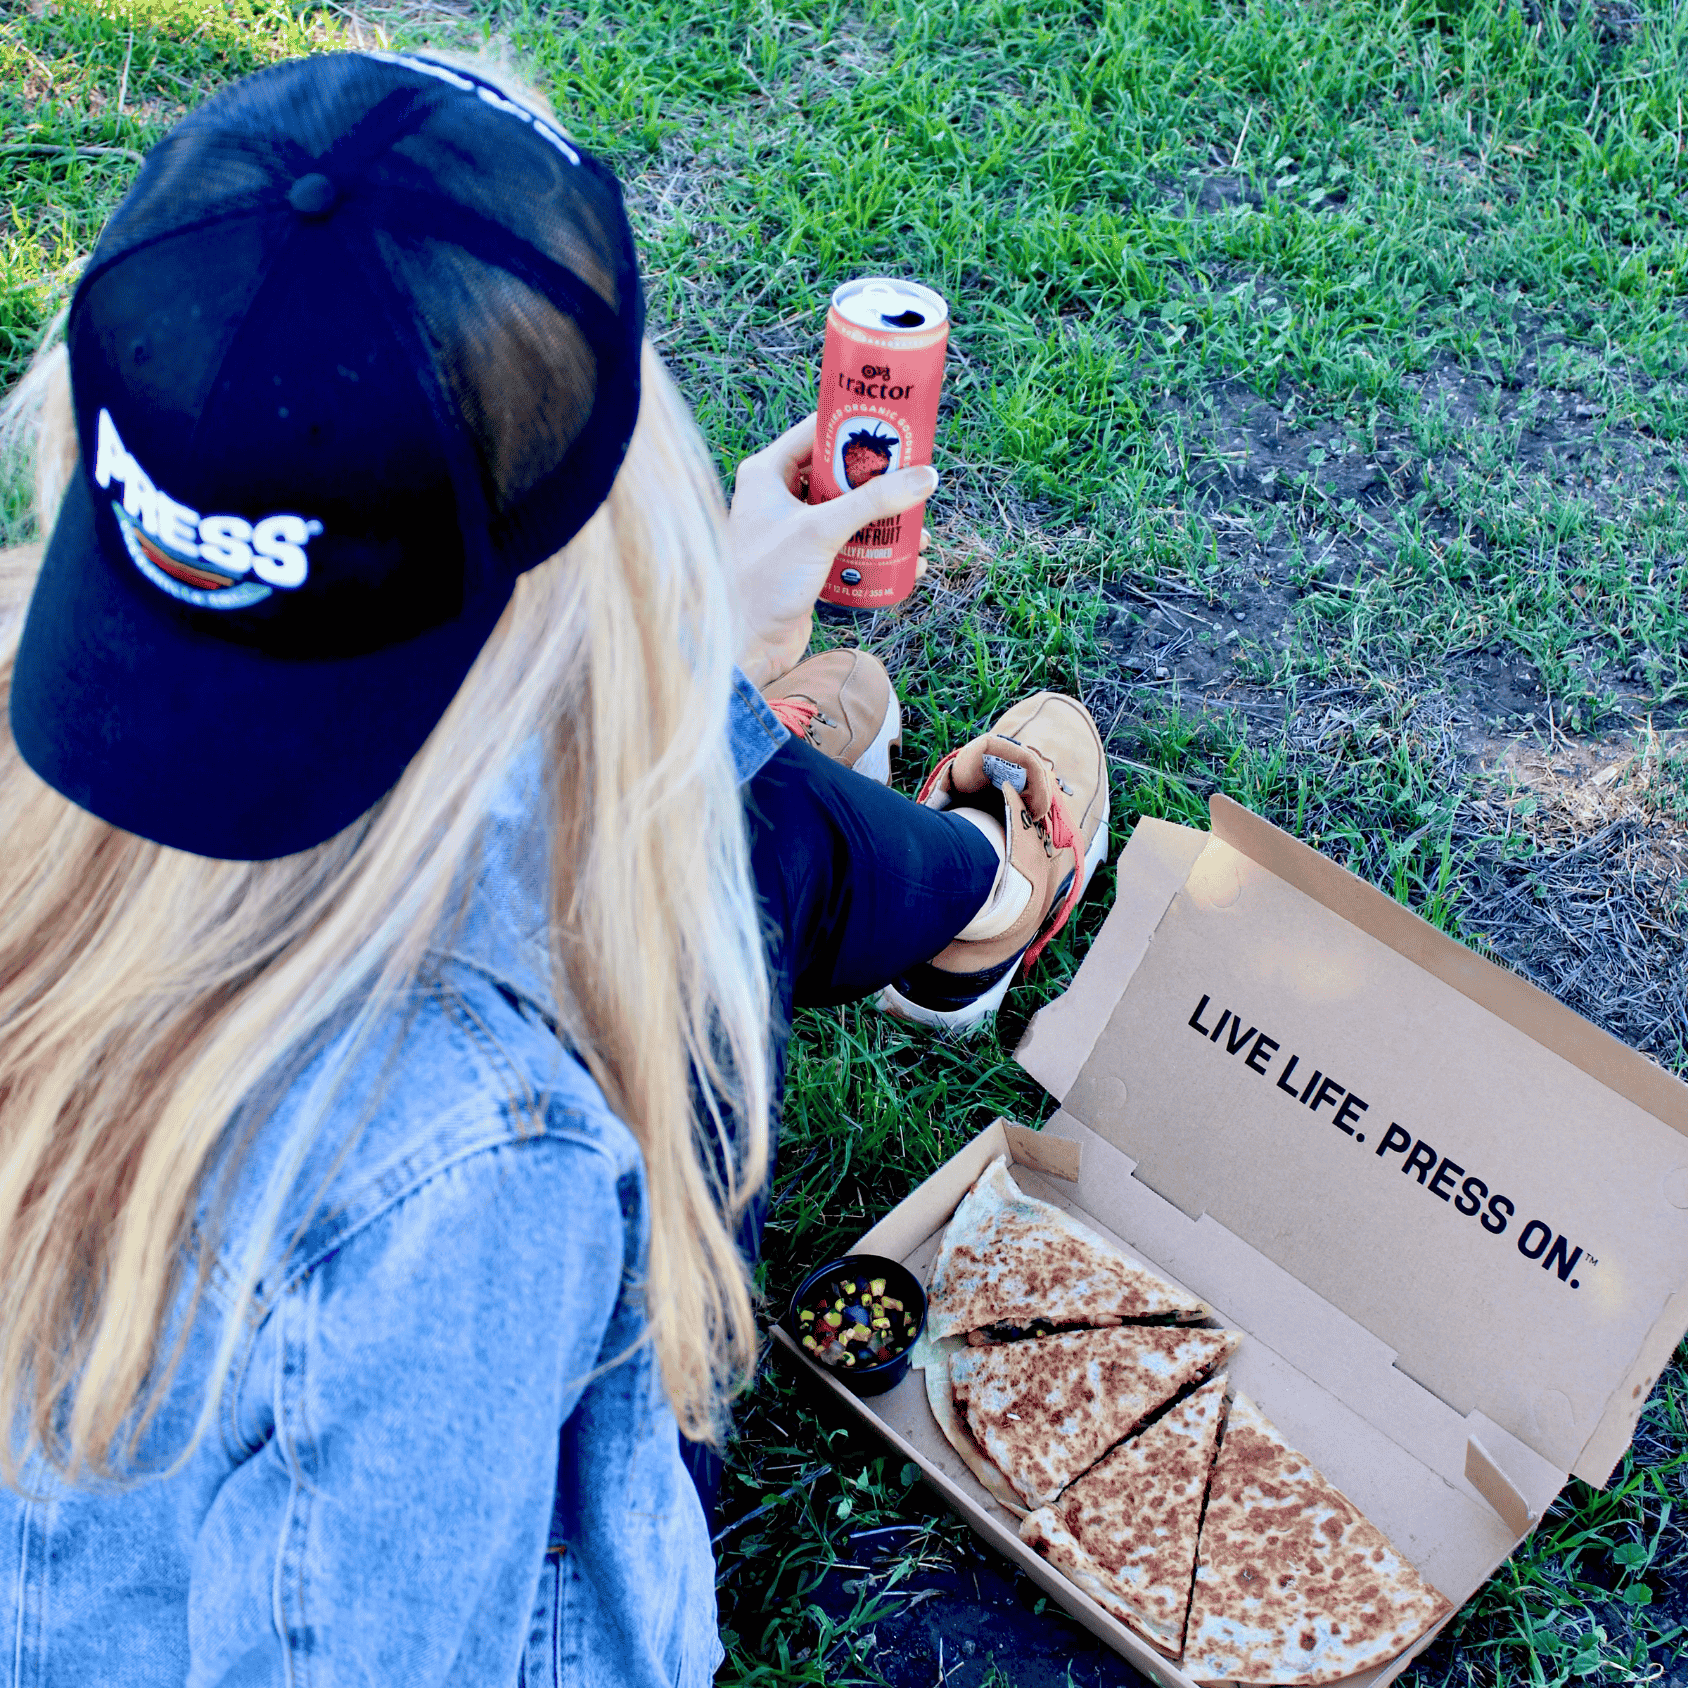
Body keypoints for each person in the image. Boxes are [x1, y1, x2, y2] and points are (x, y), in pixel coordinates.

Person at [0, 50, 1107, 1688]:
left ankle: (882, 821)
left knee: (728, 796)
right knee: (719, 844)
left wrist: (708, 650)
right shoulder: (476, 1163)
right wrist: (690, 673)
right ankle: (980, 891)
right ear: (600, 552)